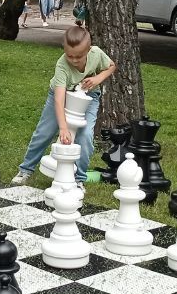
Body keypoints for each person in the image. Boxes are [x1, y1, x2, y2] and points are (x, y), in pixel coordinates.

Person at [10, 25, 114, 185]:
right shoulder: (62, 65)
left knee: (85, 136)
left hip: (88, 97)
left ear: (88, 50)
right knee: (45, 132)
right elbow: (59, 99)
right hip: (61, 95)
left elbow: (111, 66)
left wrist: (98, 78)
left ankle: (79, 179)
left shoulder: (96, 53)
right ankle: (26, 170)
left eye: (79, 56)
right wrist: (63, 128)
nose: (74, 60)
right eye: (70, 55)